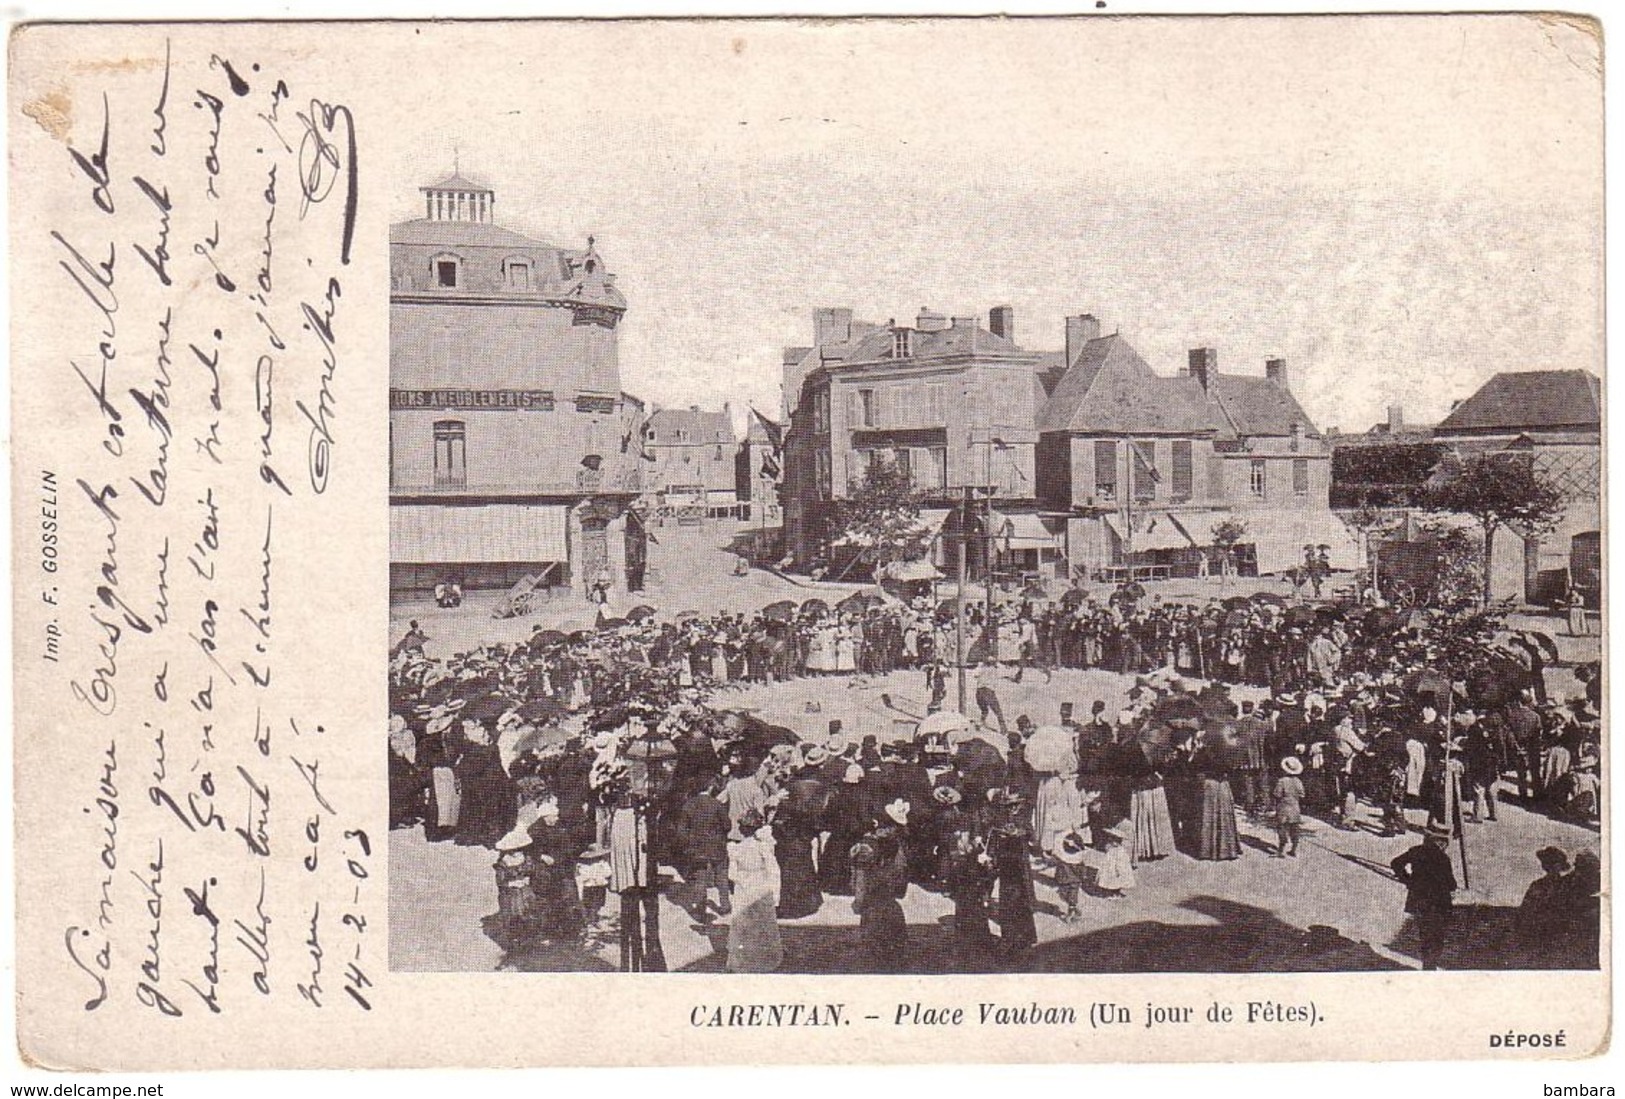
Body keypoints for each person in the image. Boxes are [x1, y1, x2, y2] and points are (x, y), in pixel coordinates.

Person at [1390, 825, 1457, 970]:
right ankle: (1430, 968)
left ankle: (1427, 966)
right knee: (1437, 938)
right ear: (1440, 842)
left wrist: (1407, 880)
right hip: (1438, 905)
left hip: (1419, 901)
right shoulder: (1443, 859)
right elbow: (1451, 884)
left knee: (1425, 935)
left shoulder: (1416, 851)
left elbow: (1395, 863)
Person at [726, 809, 784, 972]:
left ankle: (743, 960)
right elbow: (773, 870)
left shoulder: (735, 849)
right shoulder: (762, 847)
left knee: (743, 924)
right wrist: (775, 893)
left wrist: (742, 880)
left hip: (744, 888)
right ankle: (766, 960)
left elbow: (731, 874)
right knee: (763, 923)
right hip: (761, 885)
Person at [674, 776, 733, 926]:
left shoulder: (688, 805)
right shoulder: (717, 804)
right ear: (710, 787)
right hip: (717, 847)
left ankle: (700, 911)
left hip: (697, 849)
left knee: (699, 879)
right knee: (721, 876)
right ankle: (725, 906)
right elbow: (727, 825)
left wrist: (689, 844)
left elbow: (681, 831)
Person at [1272, 757, 1306, 857]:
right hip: (1295, 807)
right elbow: (1302, 794)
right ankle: (1294, 849)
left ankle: (1281, 850)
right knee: (1294, 828)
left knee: (1282, 828)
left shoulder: (1282, 781)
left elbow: (1277, 794)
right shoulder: (1298, 781)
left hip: (1283, 807)